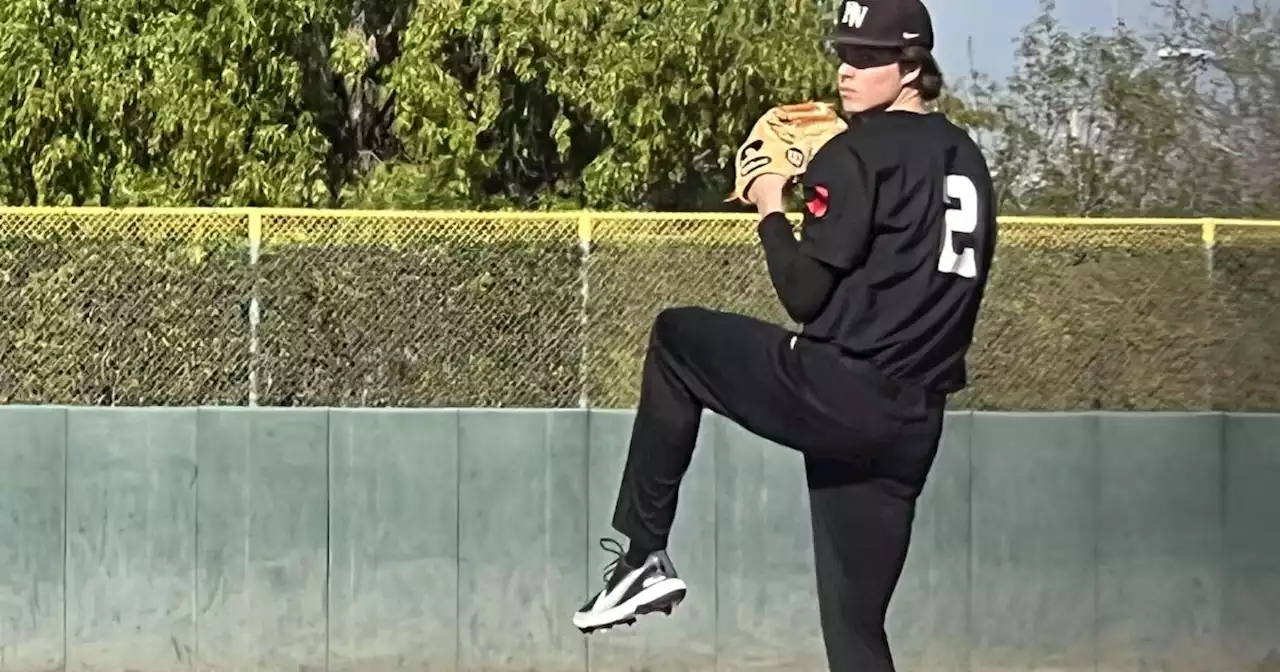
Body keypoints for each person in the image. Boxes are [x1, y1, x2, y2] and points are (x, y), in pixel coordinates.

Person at [572, 0, 998, 669]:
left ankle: (641, 555)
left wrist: (771, 197)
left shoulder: (855, 151)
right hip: (915, 424)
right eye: (843, 53)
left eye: (867, 56)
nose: (846, 70)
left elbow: (802, 294)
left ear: (912, 66)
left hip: (840, 390)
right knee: (857, 631)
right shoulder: (968, 158)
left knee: (675, 340)